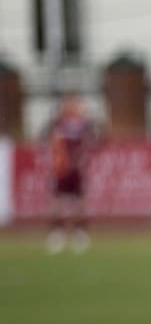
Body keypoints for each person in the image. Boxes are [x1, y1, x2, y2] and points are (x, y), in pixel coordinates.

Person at [45, 94, 99, 253]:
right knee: (58, 203)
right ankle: (57, 234)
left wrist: (79, 156)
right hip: (61, 169)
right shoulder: (58, 123)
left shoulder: (83, 124)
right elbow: (49, 140)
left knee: (79, 203)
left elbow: (92, 139)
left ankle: (80, 233)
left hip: (76, 169)